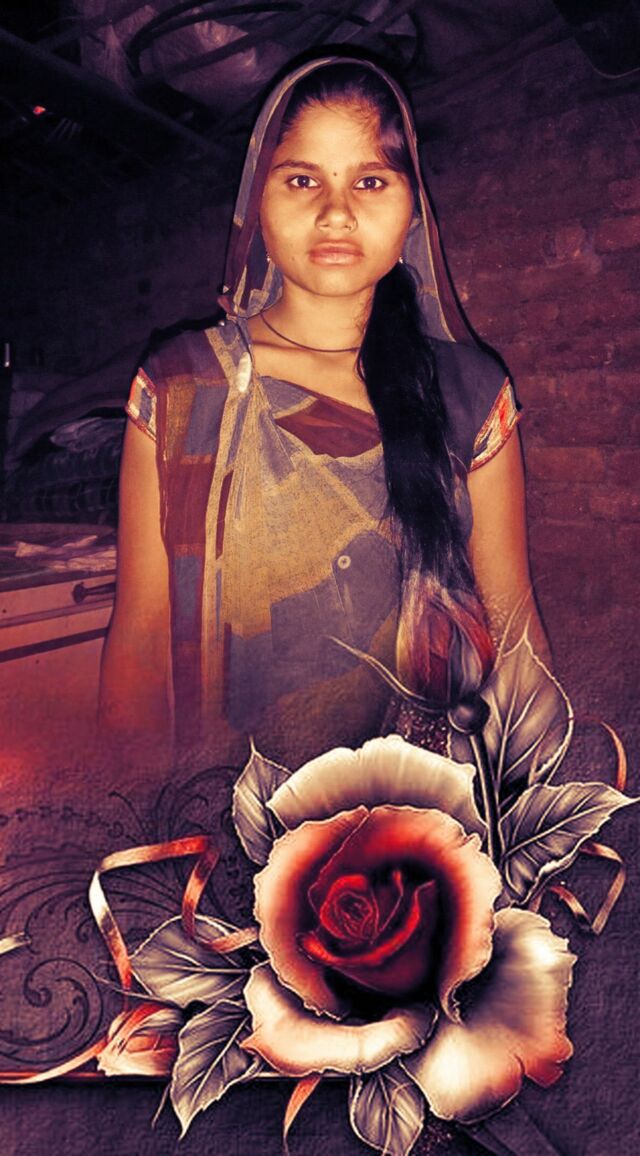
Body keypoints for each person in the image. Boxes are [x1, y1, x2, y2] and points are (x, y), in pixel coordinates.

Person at [99, 55, 547, 773]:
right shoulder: (181, 385)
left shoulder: (471, 391)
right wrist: (131, 806)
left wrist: (526, 802)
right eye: (303, 179)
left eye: (370, 181)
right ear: (258, 202)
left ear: (413, 209)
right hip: (226, 812)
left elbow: (514, 635)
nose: (336, 212)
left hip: (430, 814)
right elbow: (142, 637)